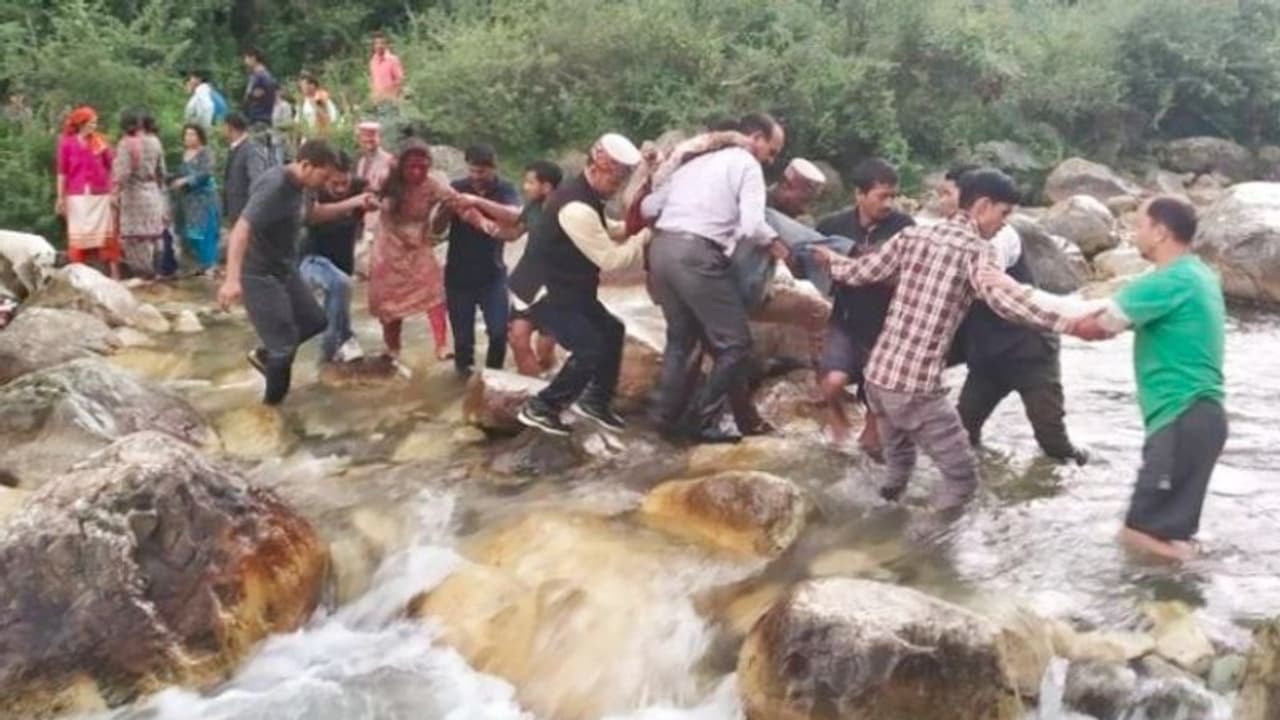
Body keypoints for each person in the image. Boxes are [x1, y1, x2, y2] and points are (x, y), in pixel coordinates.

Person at [813, 169, 1078, 512]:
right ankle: (919, 549)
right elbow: (1006, 305)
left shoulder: (913, 236)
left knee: (900, 463)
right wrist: (1072, 322)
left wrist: (831, 260)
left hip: (878, 379)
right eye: (1004, 213)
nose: (1004, 223)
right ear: (982, 206)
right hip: (915, 389)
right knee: (962, 479)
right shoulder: (978, 252)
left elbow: (859, 273)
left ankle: (878, 517)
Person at [1041, 197, 1226, 561]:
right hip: (1200, 418)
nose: (1133, 233)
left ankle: (1207, 581)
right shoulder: (1198, 274)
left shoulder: (1170, 280)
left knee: (1136, 533)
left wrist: (1018, 300)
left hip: (1181, 417)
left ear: (1160, 232)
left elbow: (1097, 326)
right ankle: (1182, 603)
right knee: (1166, 534)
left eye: (1139, 225)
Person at [642, 112, 787, 444]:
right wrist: (777, 244)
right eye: (773, 150)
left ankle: (663, 418)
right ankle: (702, 421)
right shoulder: (747, 164)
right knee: (736, 344)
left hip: (662, 251)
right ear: (756, 138)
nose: (771, 159)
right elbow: (752, 225)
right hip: (696, 255)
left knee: (680, 339)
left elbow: (650, 208)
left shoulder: (695, 162)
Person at [939, 166, 1087, 465]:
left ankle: (1084, 477)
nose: (940, 200)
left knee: (1053, 443)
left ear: (972, 201)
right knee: (963, 433)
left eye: (946, 193)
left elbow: (985, 277)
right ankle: (982, 487)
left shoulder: (1003, 237)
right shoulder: (945, 236)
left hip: (1030, 354)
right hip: (988, 358)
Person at [511, 134, 647, 435]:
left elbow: (606, 228)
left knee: (612, 330)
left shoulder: (584, 194)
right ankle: (542, 406)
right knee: (589, 347)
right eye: (614, 183)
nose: (615, 191)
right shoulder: (576, 207)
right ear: (596, 169)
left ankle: (595, 401)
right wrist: (644, 237)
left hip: (570, 288)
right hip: (544, 292)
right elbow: (612, 261)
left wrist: (633, 226)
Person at [216, 140, 348, 405]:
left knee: (314, 322)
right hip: (257, 271)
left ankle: (268, 355)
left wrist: (354, 203)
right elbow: (241, 229)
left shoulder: (306, 187)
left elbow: (312, 215)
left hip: (283, 267)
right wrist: (231, 279)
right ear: (306, 165)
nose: (325, 182)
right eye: (323, 175)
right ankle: (273, 410)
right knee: (285, 346)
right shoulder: (275, 186)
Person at [815, 158, 916, 455]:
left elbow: (906, 274)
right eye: (881, 196)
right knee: (832, 383)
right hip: (845, 319)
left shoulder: (903, 227)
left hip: (887, 326)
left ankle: (871, 443)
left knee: (873, 437)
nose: (889, 203)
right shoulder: (833, 225)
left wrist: (854, 262)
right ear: (859, 195)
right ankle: (836, 414)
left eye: (893, 196)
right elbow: (807, 263)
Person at [460, 160, 564, 376]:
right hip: (526, 283)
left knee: (544, 350)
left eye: (530, 182)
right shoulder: (533, 207)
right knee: (517, 340)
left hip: (555, 288)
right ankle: (532, 397)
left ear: (546, 187)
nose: (525, 187)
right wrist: (479, 222)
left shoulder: (569, 211)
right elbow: (513, 233)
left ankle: (549, 382)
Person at [433, 144, 521, 377]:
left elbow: (514, 218)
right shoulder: (457, 188)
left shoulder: (505, 189)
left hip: (492, 275)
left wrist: (476, 202)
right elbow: (436, 229)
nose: (475, 177)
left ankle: (494, 379)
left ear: (494, 168)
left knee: (499, 332)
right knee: (462, 341)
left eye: (481, 172)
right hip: (457, 277)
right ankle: (464, 384)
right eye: (471, 171)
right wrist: (446, 209)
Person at [369, 141, 455, 363]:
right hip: (388, 247)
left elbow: (453, 199)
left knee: (433, 291)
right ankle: (392, 349)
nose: (417, 172)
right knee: (389, 303)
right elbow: (368, 197)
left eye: (423, 167)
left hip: (418, 245)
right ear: (402, 166)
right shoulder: (387, 180)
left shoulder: (432, 185)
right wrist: (377, 204)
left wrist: (450, 206)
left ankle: (442, 344)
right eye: (412, 167)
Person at [300, 152, 375, 363]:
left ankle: (341, 343)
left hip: (343, 260)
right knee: (339, 285)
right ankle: (333, 349)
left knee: (338, 301)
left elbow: (378, 195)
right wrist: (352, 203)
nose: (341, 188)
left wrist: (372, 202)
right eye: (335, 183)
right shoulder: (313, 189)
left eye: (345, 183)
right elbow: (311, 217)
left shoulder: (359, 186)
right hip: (311, 258)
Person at [56, 106, 121, 279]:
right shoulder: (67, 143)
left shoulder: (100, 141)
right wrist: (60, 197)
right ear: (82, 124)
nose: (94, 126)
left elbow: (113, 166)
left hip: (100, 194)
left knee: (106, 233)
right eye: (91, 123)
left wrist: (114, 191)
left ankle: (113, 274)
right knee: (79, 234)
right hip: (76, 196)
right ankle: (78, 274)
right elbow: (62, 172)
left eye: (95, 123)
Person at [112, 108, 167, 278]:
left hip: (134, 195)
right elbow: (162, 171)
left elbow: (123, 173)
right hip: (152, 193)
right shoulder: (155, 142)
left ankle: (144, 277)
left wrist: (114, 192)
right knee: (154, 237)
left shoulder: (126, 144)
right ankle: (157, 273)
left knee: (134, 240)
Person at [171, 124, 222, 273]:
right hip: (186, 200)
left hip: (203, 198)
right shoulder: (184, 154)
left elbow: (206, 173)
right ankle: (195, 264)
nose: (189, 138)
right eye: (186, 134)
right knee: (187, 233)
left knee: (205, 232)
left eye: (192, 134)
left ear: (200, 136)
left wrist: (187, 180)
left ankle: (210, 264)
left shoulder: (206, 153)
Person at [353, 121, 396, 276]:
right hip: (363, 213)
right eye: (365, 140)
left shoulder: (389, 161)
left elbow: (393, 191)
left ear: (379, 139)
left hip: (381, 214)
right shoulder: (362, 161)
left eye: (372, 139)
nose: (369, 143)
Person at [223, 113, 270, 225]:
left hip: (245, 211)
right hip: (234, 209)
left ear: (230, 127)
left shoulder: (251, 149)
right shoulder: (235, 149)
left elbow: (257, 179)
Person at [297, 71, 340, 136]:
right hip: (312, 133)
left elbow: (326, 117)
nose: (303, 88)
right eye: (302, 86)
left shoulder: (320, 96)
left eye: (304, 85)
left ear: (312, 85)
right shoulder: (305, 100)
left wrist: (315, 106)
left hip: (324, 132)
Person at [369, 31, 405, 104]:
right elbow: (374, 80)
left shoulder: (392, 60)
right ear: (373, 46)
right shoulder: (373, 61)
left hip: (391, 100)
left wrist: (389, 93)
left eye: (382, 43)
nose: (379, 46)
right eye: (376, 43)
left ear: (386, 45)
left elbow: (400, 80)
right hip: (378, 101)